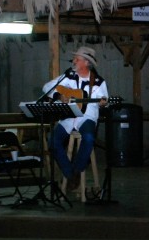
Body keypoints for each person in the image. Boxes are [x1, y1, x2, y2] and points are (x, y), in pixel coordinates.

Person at [42, 46, 108, 191]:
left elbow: (104, 101)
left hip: (87, 118)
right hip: (67, 118)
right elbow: (46, 87)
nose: (73, 61)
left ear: (86, 63)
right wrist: (59, 96)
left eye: (77, 59)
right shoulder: (68, 76)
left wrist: (103, 104)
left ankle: (77, 171)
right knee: (52, 141)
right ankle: (70, 174)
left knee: (89, 138)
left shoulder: (98, 82)